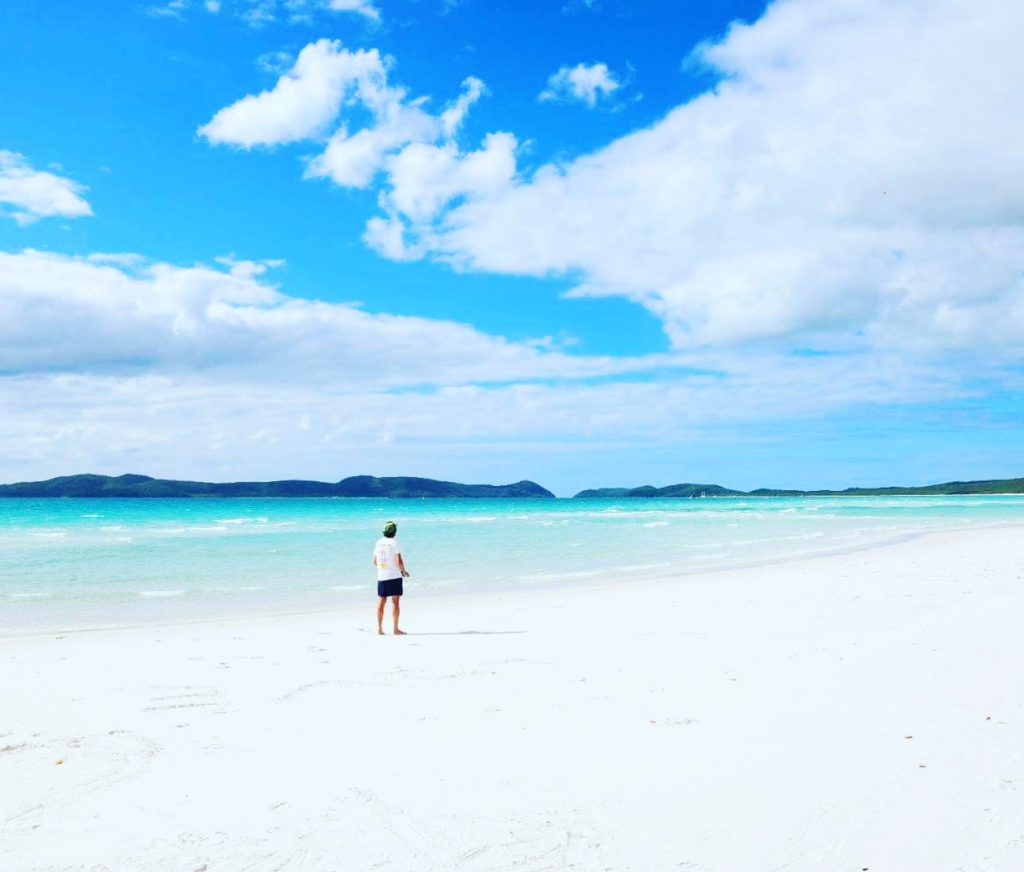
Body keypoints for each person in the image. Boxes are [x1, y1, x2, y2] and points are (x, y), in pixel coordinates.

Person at [373, 520, 409, 635]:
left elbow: (374, 562)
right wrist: (403, 571)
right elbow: (399, 560)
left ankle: (379, 629)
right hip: (394, 576)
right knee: (395, 602)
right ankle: (395, 629)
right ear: (394, 532)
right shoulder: (394, 542)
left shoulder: (378, 543)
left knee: (381, 601)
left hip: (382, 576)